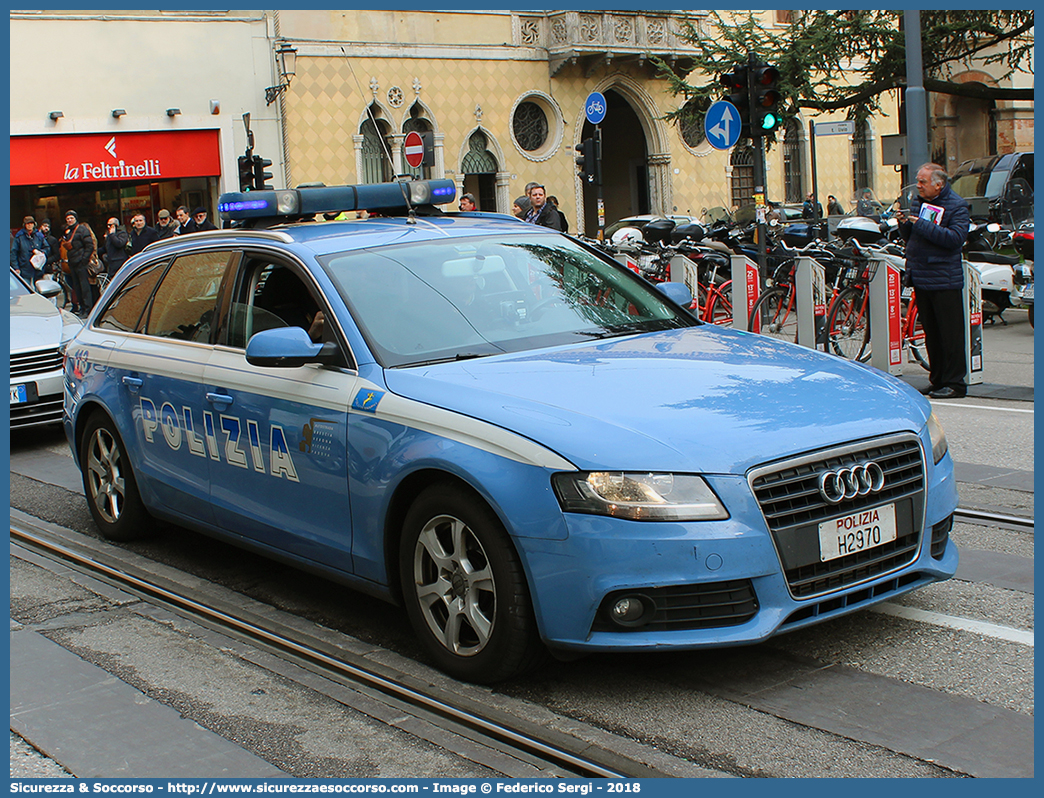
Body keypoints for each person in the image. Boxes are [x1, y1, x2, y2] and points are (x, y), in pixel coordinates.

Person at [895, 163, 971, 399]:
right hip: (921, 275)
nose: (918, 186)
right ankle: (937, 379)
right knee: (932, 333)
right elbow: (913, 237)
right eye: (918, 181)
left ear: (939, 184)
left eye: (923, 182)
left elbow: (955, 239)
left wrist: (922, 224)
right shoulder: (919, 202)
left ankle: (955, 383)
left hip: (944, 278)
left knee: (950, 334)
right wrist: (904, 224)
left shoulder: (957, 206)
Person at [62, 210, 96, 316]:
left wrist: (84, 260)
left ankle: (87, 309)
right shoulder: (69, 231)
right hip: (73, 263)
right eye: (67, 219)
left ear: (76, 218)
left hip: (81, 263)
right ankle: (81, 308)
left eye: (71, 218)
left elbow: (90, 246)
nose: (69, 220)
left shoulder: (82, 229)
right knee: (77, 287)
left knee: (84, 287)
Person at [11, 215, 49, 284]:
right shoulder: (19, 237)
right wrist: (16, 267)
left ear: (34, 224)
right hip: (24, 267)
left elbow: (46, 247)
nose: (29, 225)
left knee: (39, 289)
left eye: (31, 223)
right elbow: (13, 252)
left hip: (38, 268)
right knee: (26, 289)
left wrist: (42, 253)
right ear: (24, 225)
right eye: (27, 224)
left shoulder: (39, 235)